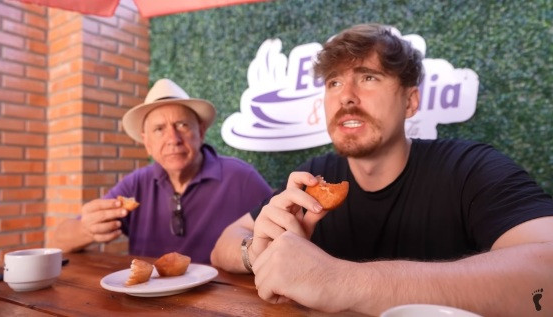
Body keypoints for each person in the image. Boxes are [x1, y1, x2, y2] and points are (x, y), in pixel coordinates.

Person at [210, 24, 553, 316]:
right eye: (333, 83)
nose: (346, 97)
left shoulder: (469, 168)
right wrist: (255, 251)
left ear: (411, 101)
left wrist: (341, 281)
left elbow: (546, 271)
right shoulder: (314, 178)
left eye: (368, 77)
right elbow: (225, 241)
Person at [50, 78, 273, 264]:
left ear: (201, 132)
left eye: (182, 125)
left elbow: (284, 235)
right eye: (159, 129)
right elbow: (57, 242)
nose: (173, 140)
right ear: (147, 142)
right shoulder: (136, 184)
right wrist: (87, 229)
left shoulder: (241, 178)